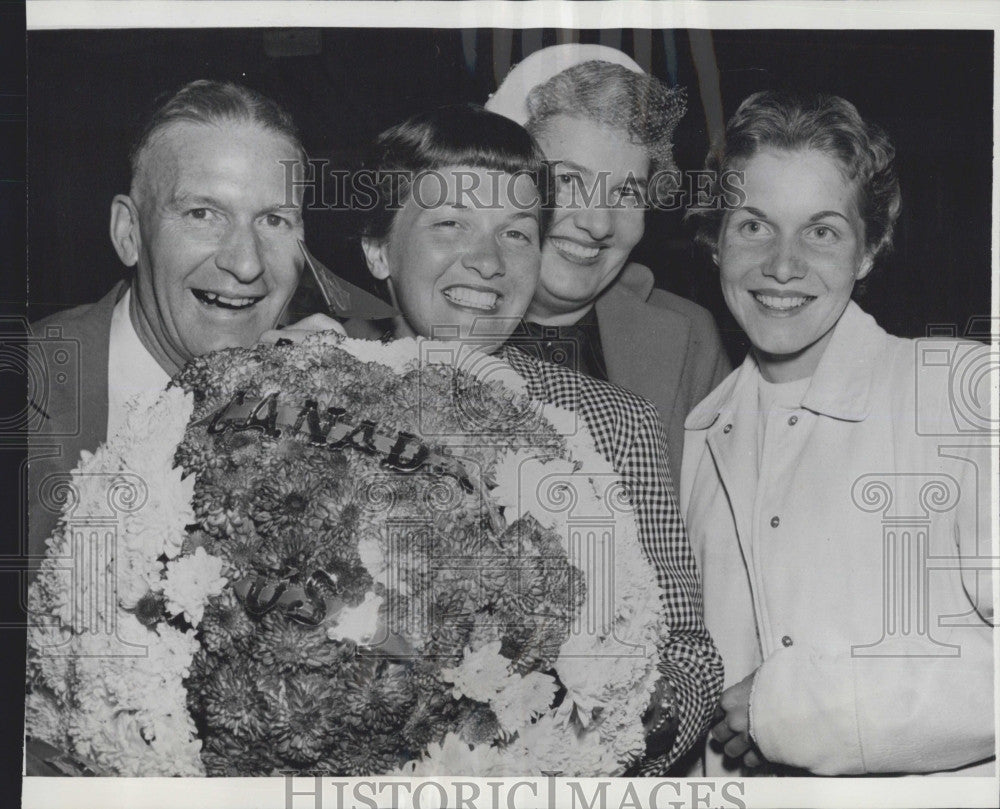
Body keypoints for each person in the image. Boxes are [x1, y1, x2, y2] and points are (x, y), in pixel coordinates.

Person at [345, 103, 723, 773]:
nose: (487, 260)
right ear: (378, 248)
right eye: (451, 223)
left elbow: (689, 646)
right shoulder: (314, 408)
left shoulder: (613, 424)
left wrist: (616, 720)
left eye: (517, 233)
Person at [682, 90, 995, 776]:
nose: (783, 265)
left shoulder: (961, 393)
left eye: (821, 231)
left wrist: (801, 706)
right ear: (715, 240)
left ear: (869, 248)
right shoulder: (696, 441)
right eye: (753, 227)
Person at [26, 80, 340, 570]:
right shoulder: (27, 391)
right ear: (129, 234)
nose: (246, 264)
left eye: (274, 221)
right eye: (202, 213)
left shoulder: (328, 399)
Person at [486, 45, 731, 487]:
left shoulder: (690, 339)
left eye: (627, 193)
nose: (597, 223)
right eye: (567, 181)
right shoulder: (395, 329)